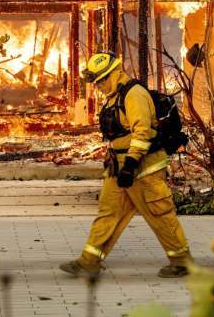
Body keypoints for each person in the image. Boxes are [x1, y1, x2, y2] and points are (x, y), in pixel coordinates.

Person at [59, 52, 191, 278]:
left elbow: (142, 132)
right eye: (96, 81)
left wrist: (130, 164)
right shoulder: (114, 96)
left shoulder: (134, 94)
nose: (99, 85)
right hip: (120, 166)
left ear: (115, 73)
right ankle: (89, 261)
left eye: (101, 80)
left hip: (144, 167)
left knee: (159, 214)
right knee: (108, 212)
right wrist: (123, 165)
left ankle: (182, 262)